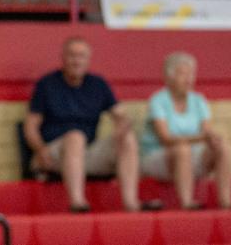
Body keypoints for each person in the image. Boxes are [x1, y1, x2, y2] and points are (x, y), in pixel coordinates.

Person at [23, 37, 149, 213]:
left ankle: (131, 203)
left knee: (127, 138)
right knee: (76, 136)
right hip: (53, 153)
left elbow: (121, 115)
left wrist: (123, 125)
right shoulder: (46, 84)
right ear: (63, 57)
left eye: (81, 56)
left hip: (86, 154)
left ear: (88, 60)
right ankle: (78, 203)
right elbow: (30, 127)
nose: (76, 60)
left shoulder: (98, 84)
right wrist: (40, 149)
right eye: (72, 55)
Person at [140, 51, 231, 210]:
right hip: (160, 157)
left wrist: (213, 138)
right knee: (182, 148)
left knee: (222, 147)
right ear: (169, 78)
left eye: (191, 74)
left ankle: (226, 202)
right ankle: (187, 202)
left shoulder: (199, 100)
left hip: (192, 158)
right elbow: (166, 138)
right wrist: (201, 137)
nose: (189, 79)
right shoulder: (158, 100)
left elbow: (206, 132)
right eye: (183, 74)